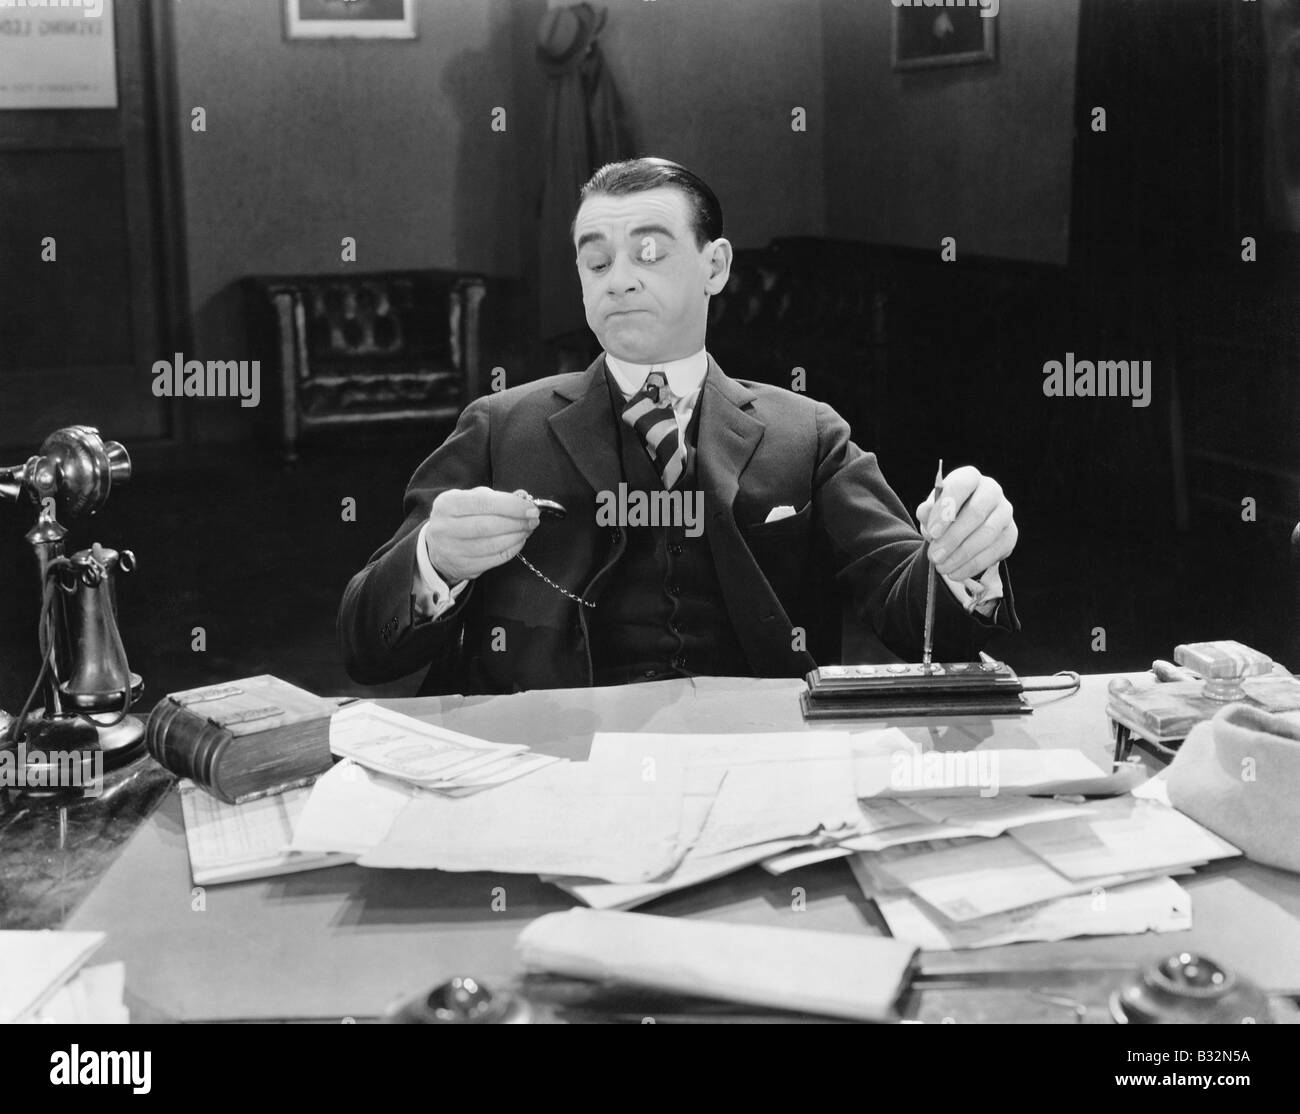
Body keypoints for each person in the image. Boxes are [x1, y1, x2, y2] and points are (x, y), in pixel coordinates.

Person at [339, 157, 1019, 695]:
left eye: (651, 254)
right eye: (596, 260)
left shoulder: (807, 434)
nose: (620, 280)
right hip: (552, 765)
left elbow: (914, 619)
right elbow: (367, 648)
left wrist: (962, 559)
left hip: (752, 759)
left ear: (714, 266)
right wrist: (436, 560)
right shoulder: (498, 427)